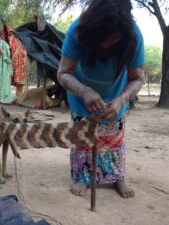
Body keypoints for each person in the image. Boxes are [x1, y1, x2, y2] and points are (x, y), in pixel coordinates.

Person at [57, 0, 145, 198]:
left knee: (114, 138)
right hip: (81, 96)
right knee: (83, 138)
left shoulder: (133, 36)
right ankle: (83, 177)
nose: (105, 45)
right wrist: (84, 91)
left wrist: (122, 100)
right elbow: (62, 73)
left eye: (112, 39)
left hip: (116, 95)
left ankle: (117, 177)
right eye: (101, 39)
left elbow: (138, 78)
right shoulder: (78, 31)